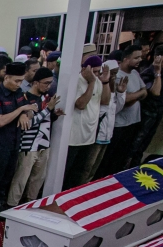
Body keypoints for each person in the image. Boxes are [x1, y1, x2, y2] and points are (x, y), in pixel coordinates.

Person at [0, 61, 34, 221]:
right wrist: (21, 110)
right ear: (6, 77)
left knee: (7, 178)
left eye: (21, 81)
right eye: (16, 80)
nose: (19, 84)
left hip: (15, 143)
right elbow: (0, 121)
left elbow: (29, 111)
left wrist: (25, 114)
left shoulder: (18, 93)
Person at [7, 68, 62, 206]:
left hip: (44, 144)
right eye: (46, 83)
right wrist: (48, 110)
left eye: (50, 83)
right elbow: (28, 124)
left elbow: (44, 120)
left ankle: (31, 203)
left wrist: (54, 114)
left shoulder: (45, 98)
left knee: (38, 179)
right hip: (28, 145)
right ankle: (11, 205)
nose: (48, 86)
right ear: (36, 82)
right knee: (21, 179)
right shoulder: (25, 98)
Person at [96, 44, 147, 177]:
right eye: (136, 58)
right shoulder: (117, 75)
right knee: (107, 159)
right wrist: (136, 95)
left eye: (140, 57)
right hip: (118, 125)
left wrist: (132, 96)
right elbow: (124, 102)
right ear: (125, 59)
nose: (139, 60)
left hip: (133, 123)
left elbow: (145, 93)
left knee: (122, 157)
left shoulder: (135, 73)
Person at [130, 45, 163, 167]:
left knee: (144, 145)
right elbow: (155, 92)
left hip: (157, 114)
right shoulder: (147, 72)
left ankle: (135, 168)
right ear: (157, 57)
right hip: (145, 114)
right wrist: (157, 72)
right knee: (135, 145)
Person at [62, 56, 108, 189]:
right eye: (95, 71)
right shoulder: (77, 81)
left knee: (81, 169)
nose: (97, 74)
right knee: (68, 170)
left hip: (89, 134)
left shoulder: (98, 81)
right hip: (75, 135)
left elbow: (105, 101)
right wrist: (92, 82)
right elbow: (81, 104)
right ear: (85, 68)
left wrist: (104, 82)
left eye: (99, 72)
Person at [89, 60, 129, 182]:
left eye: (115, 74)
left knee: (95, 168)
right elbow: (99, 112)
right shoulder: (98, 88)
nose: (114, 77)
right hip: (96, 135)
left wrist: (121, 93)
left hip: (107, 135)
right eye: (112, 73)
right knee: (87, 168)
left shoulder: (113, 91)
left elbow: (116, 110)